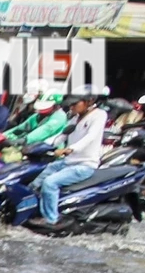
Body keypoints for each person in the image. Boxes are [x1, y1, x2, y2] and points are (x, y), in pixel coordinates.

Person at [33, 85, 108, 229]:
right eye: (71, 103)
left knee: (49, 183)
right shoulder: (75, 118)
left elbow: (91, 137)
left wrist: (70, 149)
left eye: (75, 103)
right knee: (36, 181)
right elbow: (60, 136)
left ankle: (51, 220)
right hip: (67, 162)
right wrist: (39, 147)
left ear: (89, 101)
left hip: (84, 165)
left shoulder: (99, 115)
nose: (72, 106)